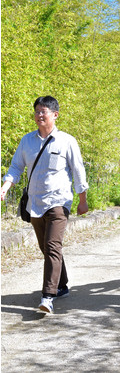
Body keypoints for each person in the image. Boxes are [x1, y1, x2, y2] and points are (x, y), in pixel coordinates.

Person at [1, 96, 88, 313]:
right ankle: (62, 285)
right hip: (35, 202)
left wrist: (83, 200)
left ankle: (47, 296)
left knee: (51, 246)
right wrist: (5, 187)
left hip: (59, 201)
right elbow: (15, 167)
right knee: (47, 247)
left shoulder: (67, 141)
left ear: (55, 114)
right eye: (37, 111)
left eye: (44, 111)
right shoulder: (27, 141)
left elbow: (78, 171)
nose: (40, 115)